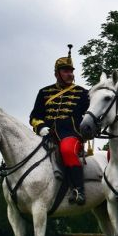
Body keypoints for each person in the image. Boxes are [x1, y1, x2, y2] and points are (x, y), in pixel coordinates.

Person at [30, 44, 90, 205]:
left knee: (67, 150)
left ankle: (78, 189)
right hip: (47, 135)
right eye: (66, 71)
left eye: (71, 71)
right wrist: (41, 127)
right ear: (57, 74)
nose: (70, 74)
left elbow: (93, 115)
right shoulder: (44, 92)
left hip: (72, 134)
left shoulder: (83, 94)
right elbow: (35, 116)